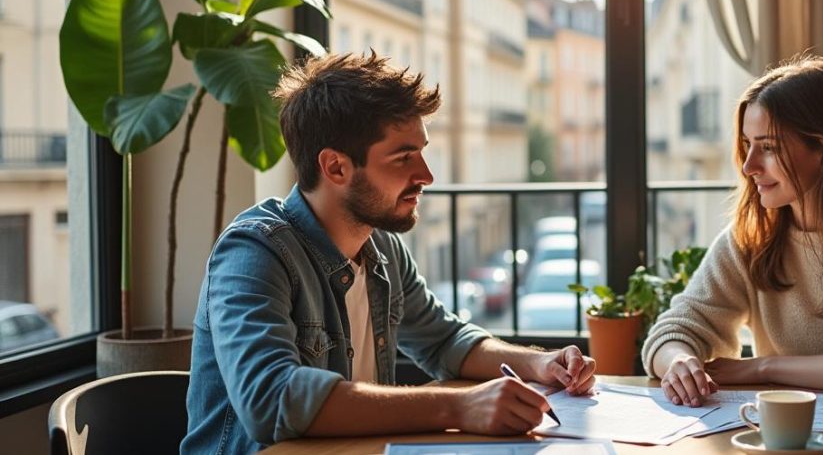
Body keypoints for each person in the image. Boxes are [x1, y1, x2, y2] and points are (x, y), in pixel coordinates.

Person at [182, 52, 597, 454]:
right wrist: (458, 406)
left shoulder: (381, 246)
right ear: (336, 168)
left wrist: (540, 365)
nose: (427, 176)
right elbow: (272, 399)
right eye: (404, 157)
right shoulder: (254, 252)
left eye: (422, 151)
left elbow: (445, 341)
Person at [641, 55, 823, 407]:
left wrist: (763, 368)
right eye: (747, 145)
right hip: (786, 434)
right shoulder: (754, 235)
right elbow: (671, 332)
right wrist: (679, 361)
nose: (750, 165)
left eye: (768, 147)